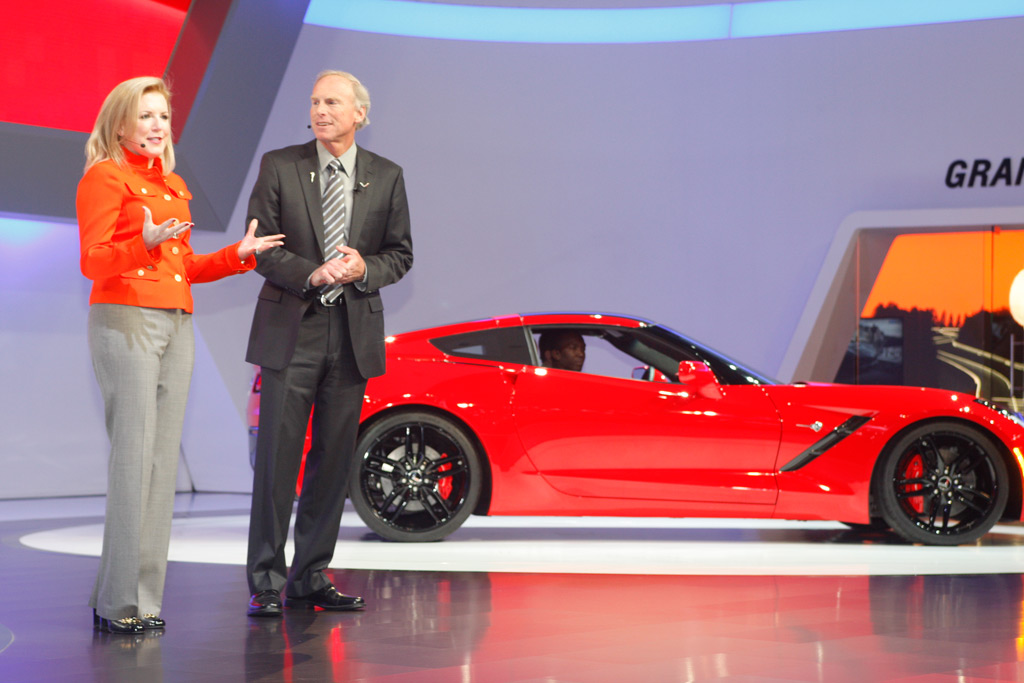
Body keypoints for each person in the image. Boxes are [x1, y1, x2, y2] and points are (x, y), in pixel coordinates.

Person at [77, 76, 284, 634]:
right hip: (126, 317)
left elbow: (184, 267)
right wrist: (138, 243)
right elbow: (94, 262)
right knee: (133, 458)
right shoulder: (105, 176)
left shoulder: (172, 184)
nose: (156, 126)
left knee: (161, 462)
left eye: (163, 117)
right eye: (145, 116)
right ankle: (118, 602)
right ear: (121, 124)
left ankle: (141, 599)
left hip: (177, 320)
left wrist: (236, 256)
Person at [244, 70, 413, 617]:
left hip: (351, 334)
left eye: (333, 102)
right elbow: (261, 248)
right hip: (293, 329)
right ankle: (266, 580)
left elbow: (401, 254)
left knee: (333, 462)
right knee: (277, 460)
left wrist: (366, 267)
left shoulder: (386, 176)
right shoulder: (280, 165)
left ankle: (310, 575)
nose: (320, 111)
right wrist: (311, 275)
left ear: (359, 113)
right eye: (315, 102)